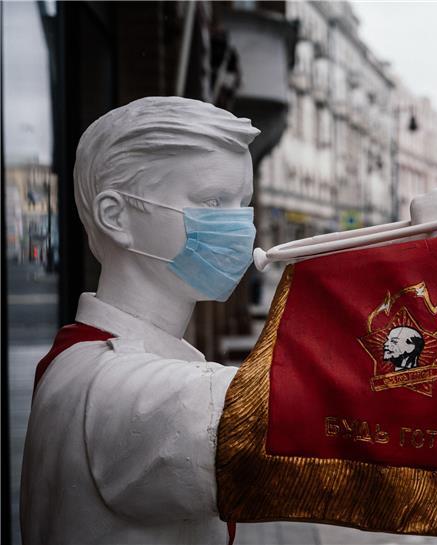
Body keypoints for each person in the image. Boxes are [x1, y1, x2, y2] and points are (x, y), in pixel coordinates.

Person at [20, 96, 259, 545]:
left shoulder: (93, 359)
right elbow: (302, 420)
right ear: (116, 216)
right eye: (212, 200)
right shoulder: (118, 386)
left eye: (243, 202)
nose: (241, 226)